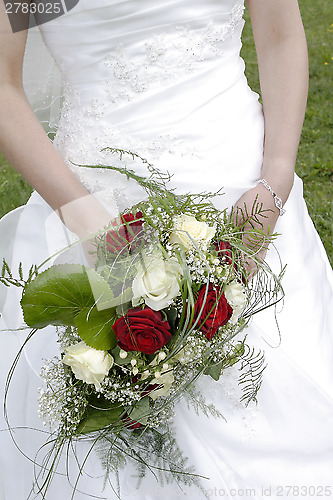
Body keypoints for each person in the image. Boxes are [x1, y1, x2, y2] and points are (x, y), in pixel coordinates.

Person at [0, 0, 333, 498]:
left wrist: (275, 180)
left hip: (242, 188)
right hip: (93, 199)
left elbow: (281, 36)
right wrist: (88, 220)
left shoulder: (262, 192)